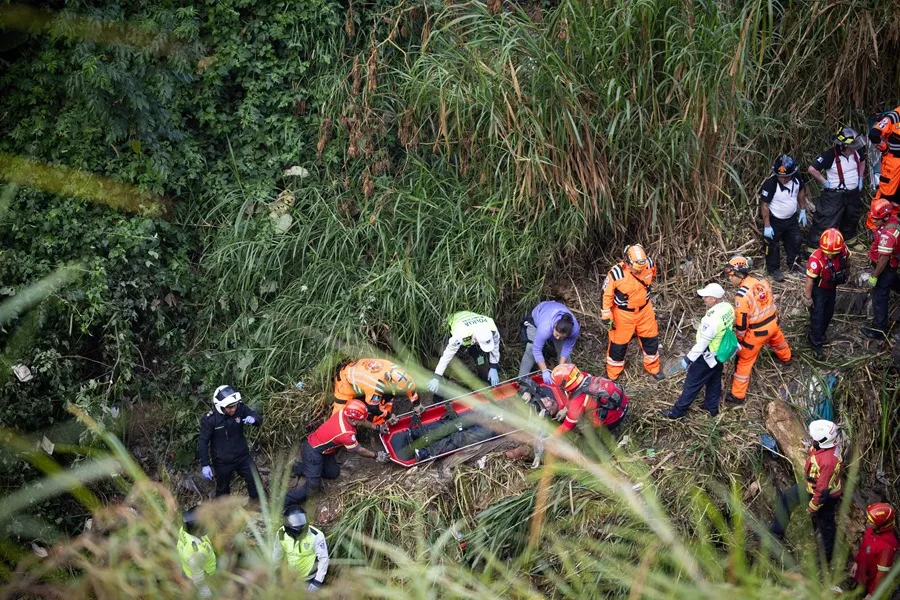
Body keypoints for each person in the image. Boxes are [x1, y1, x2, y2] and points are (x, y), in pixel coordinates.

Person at [285, 400, 389, 506]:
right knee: (313, 487)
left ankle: (301, 468)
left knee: (333, 473)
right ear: (353, 420)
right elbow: (359, 450)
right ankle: (285, 501)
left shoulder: (343, 412)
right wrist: (375, 455)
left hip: (322, 449)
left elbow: (362, 421)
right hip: (313, 452)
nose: (363, 421)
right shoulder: (346, 434)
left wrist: (378, 428)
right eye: (361, 420)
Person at [769, 420, 843, 563]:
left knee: (826, 524)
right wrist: (810, 448)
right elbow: (818, 451)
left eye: (814, 438)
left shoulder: (828, 462)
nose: (812, 439)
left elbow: (822, 492)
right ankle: (776, 531)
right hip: (812, 487)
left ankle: (827, 556)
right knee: (786, 498)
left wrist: (812, 507)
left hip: (824, 496)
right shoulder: (828, 445)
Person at [660, 283, 734, 419]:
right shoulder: (728, 308)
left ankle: (676, 413)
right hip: (720, 354)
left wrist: (687, 360)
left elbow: (702, 344)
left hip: (706, 356)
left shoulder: (711, 320)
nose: (704, 299)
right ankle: (711, 409)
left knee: (691, 384)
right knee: (714, 380)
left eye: (706, 297)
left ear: (714, 299)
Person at [723, 256, 791, 404]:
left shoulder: (741, 296)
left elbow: (741, 324)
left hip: (757, 333)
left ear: (739, 275)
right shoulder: (762, 282)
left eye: (731, 276)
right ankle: (786, 359)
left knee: (744, 360)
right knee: (779, 342)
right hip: (773, 323)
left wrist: (740, 340)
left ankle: (738, 395)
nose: (730, 279)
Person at [600, 244, 664, 381]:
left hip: (645, 310)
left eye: (640, 269)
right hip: (623, 314)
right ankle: (612, 374)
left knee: (651, 340)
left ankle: (653, 367)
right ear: (627, 262)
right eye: (635, 269)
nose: (638, 272)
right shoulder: (616, 273)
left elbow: (652, 275)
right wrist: (606, 315)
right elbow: (606, 295)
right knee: (618, 345)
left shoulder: (650, 264)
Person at [198, 385, 263, 500]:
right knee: (223, 490)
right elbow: (203, 442)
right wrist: (205, 464)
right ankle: (223, 514)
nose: (233, 409)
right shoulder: (210, 420)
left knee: (255, 480)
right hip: (222, 461)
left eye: (234, 406)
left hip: (243, 457)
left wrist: (254, 420)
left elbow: (256, 417)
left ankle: (256, 506)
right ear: (220, 406)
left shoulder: (240, 409)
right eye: (229, 407)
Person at [806, 127, 866, 249]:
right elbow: (812, 169)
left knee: (851, 216)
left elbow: (862, 161)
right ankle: (814, 246)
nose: (853, 148)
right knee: (825, 220)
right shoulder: (830, 155)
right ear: (842, 145)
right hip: (834, 195)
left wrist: (860, 178)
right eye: (850, 146)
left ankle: (849, 239)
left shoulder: (856, 151)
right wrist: (824, 182)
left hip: (853, 193)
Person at [427, 311, 501, 395]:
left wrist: (493, 366)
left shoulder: (492, 328)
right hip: (451, 329)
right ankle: (438, 396)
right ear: (476, 340)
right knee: (451, 364)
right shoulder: (459, 335)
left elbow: (495, 345)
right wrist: (437, 376)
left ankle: (485, 385)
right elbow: (446, 357)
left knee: (480, 359)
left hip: (472, 332)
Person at [803, 228, 850, 359]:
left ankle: (820, 333)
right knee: (818, 316)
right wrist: (807, 298)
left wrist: (848, 274)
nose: (830, 255)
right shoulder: (816, 259)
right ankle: (816, 344)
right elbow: (809, 280)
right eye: (828, 253)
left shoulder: (842, 250)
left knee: (829, 313)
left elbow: (847, 261)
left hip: (832, 287)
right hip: (819, 290)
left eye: (833, 253)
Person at [760, 154, 808, 282]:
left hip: (791, 218)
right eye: (780, 176)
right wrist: (767, 225)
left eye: (786, 177)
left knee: (795, 241)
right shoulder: (770, 183)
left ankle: (794, 264)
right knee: (772, 245)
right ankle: (774, 269)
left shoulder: (796, 178)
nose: (783, 180)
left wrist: (802, 209)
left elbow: (801, 191)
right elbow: (764, 205)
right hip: (775, 219)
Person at [332, 359, 420, 425]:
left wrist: (417, 404)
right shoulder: (377, 385)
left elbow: (409, 388)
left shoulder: (396, 370)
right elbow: (373, 408)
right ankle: (333, 440)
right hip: (345, 381)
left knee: (387, 398)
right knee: (340, 416)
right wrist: (388, 416)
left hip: (362, 375)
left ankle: (382, 423)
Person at [861, 199, 900, 340]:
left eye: (876, 219)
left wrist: (875, 276)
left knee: (879, 296)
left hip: (886, 268)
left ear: (885, 217)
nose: (874, 222)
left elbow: (883, 259)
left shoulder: (888, 235)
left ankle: (879, 330)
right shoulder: (894, 221)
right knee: (894, 282)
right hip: (892, 265)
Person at [549, 363, 627, 435]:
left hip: (614, 418)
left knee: (593, 435)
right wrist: (566, 409)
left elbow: (566, 427)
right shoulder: (584, 376)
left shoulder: (577, 402)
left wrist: (551, 437)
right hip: (623, 403)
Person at [517, 301, 580, 386]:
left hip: (555, 319)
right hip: (538, 316)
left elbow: (567, 349)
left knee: (563, 354)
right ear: (554, 326)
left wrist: (561, 369)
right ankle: (521, 381)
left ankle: (566, 382)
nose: (557, 338)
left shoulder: (574, 330)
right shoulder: (545, 328)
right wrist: (544, 371)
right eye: (557, 335)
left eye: (561, 337)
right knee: (530, 350)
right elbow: (536, 350)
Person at [272, 507, 329, 592]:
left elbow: (324, 559)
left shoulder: (316, 536)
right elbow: (277, 553)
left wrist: (317, 581)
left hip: (309, 579)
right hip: (290, 576)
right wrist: (274, 571)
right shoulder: (281, 533)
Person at [851, 502, 898, 597]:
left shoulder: (887, 546)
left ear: (881, 525)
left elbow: (881, 574)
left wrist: (871, 594)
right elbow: (864, 547)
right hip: (861, 573)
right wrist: (856, 562)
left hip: (870, 582)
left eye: (870, 521)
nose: (866, 521)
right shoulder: (871, 530)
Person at [177, 506, 216, 598]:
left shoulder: (185, 528)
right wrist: (206, 593)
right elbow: (198, 579)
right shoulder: (196, 554)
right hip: (206, 573)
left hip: (196, 562)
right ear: (199, 530)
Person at [869, 105, 900, 209]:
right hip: (893, 162)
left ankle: (892, 223)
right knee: (885, 197)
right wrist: (884, 148)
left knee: (898, 200)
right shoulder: (894, 117)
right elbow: (874, 134)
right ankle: (873, 225)